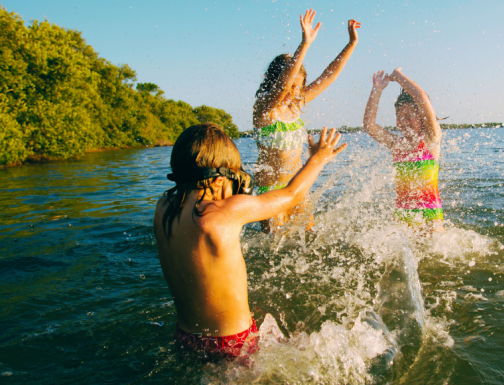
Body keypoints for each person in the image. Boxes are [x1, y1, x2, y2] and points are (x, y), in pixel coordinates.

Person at [153, 123, 346, 360]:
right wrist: (318, 158)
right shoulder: (222, 213)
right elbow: (291, 195)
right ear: (216, 181)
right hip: (233, 342)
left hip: (185, 336)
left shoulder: (162, 209)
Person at [252, 9, 360, 233]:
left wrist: (351, 44)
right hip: (270, 190)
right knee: (276, 245)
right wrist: (305, 44)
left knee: (310, 237)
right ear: (275, 82)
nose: (293, 92)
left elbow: (328, 76)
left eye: (298, 86)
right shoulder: (263, 109)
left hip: (298, 186)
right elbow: (282, 87)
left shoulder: (295, 105)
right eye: (290, 85)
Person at [362, 68, 444, 232]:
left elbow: (421, 98)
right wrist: (377, 89)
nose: (403, 122)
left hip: (430, 217)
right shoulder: (396, 144)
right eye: (399, 117)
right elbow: (369, 126)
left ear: (422, 116)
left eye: (408, 117)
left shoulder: (430, 139)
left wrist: (398, 76)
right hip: (403, 215)